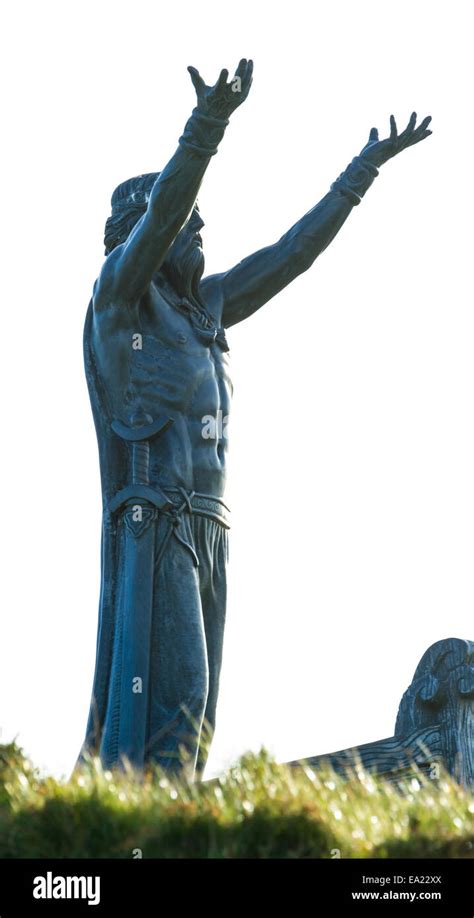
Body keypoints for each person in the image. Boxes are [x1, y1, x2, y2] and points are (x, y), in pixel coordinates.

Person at [78, 58, 431, 778]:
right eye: (185, 225)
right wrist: (208, 126)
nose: (200, 231)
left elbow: (291, 255)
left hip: (210, 524)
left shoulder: (203, 308)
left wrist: (359, 173)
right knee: (170, 703)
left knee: (200, 716)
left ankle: (168, 824)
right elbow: (167, 211)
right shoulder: (121, 299)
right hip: (159, 524)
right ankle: (139, 836)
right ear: (141, 233)